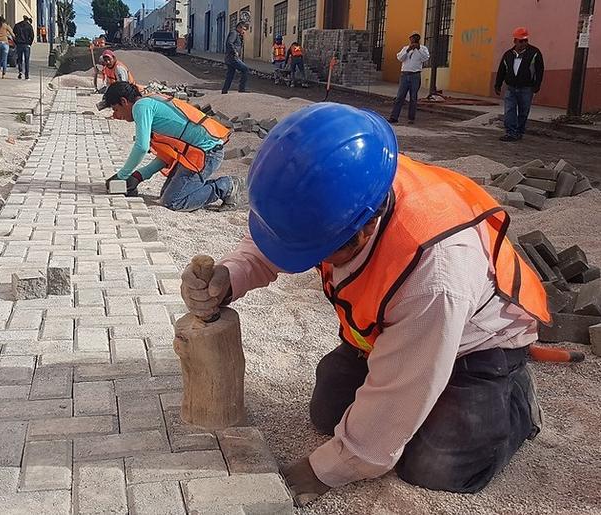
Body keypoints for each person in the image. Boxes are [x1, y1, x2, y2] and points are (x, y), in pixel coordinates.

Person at [180, 102, 548, 506]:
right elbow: (286, 236)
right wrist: (230, 277)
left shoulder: (434, 272)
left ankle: (516, 405)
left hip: (477, 344)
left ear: (364, 226)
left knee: (435, 466)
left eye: (321, 249)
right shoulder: (345, 183)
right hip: (391, 330)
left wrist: (326, 470)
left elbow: (402, 389)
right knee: (328, 412)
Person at [98, 82, 243, 211]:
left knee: (173, 201)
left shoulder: (140, 107)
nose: (116, 115)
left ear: (124, 101)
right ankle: (205, 186)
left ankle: (227, 186)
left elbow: (141, 147)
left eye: (115, 109)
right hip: (194, 154)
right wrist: (138, 176)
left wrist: (122, 176)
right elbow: (167, 156)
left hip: (207, 153)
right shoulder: (149, 102)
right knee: (167, 195)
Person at [495, 27, 544, 142]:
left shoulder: (534, 53)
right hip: (511, 87)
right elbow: (502, 70)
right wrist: (498, 84)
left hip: (526, 88)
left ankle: (519, 132)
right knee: (509, 110)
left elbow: (539, 70)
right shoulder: (508, 55)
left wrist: (537, 85)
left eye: (525, 40)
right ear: (515, 41)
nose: (523, 43)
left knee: (523, 111)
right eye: (521, 41)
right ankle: (510, 133)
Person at [388, 31, 429, 124]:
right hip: (405, 75)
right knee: (399, 97)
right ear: (410, 39)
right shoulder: (405, 48)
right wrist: (407, 50)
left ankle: (411, 118)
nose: (414, 39)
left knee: (413, 97)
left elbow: (425, 58)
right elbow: (400, 58)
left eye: (416, 37)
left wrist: (418, 49)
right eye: (413, 37)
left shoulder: (423, 49)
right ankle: (394, 117)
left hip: (415, 75)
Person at [222, 22, 250, 94]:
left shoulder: (237, 34)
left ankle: (224, 90)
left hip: (230, 58)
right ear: (239, 28)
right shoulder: (234, 33)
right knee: (245, 69)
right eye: (243, 29)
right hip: (232, 58)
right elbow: (229, 43)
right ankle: (242, 88)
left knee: (230, 75)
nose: (244, 31)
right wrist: (235, 52)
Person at [13, 16, 35, 80]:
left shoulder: (17, 25)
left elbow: (13, 34)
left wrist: (16, 42)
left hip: (19, 44)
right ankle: (27, 75)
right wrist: (29, 44)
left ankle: (20, 72)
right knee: (26, 60)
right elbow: (32, 36)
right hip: (26, 45)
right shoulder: (29, 26)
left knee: (19, 59)